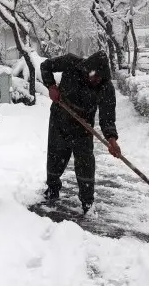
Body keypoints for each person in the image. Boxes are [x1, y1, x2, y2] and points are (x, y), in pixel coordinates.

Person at [40, 50, 121, 214]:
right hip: (60, 119)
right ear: (87, 68)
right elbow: (45, 66)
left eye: (98, 78)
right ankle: (52, 188)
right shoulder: (71, 62)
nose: (94, 80)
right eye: (93, 75)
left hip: (83, 127)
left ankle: (87, 202)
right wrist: (51, 86)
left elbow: (107, 117)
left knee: (86, 163)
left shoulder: (105, 87)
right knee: (56, 157)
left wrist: (111, 139)